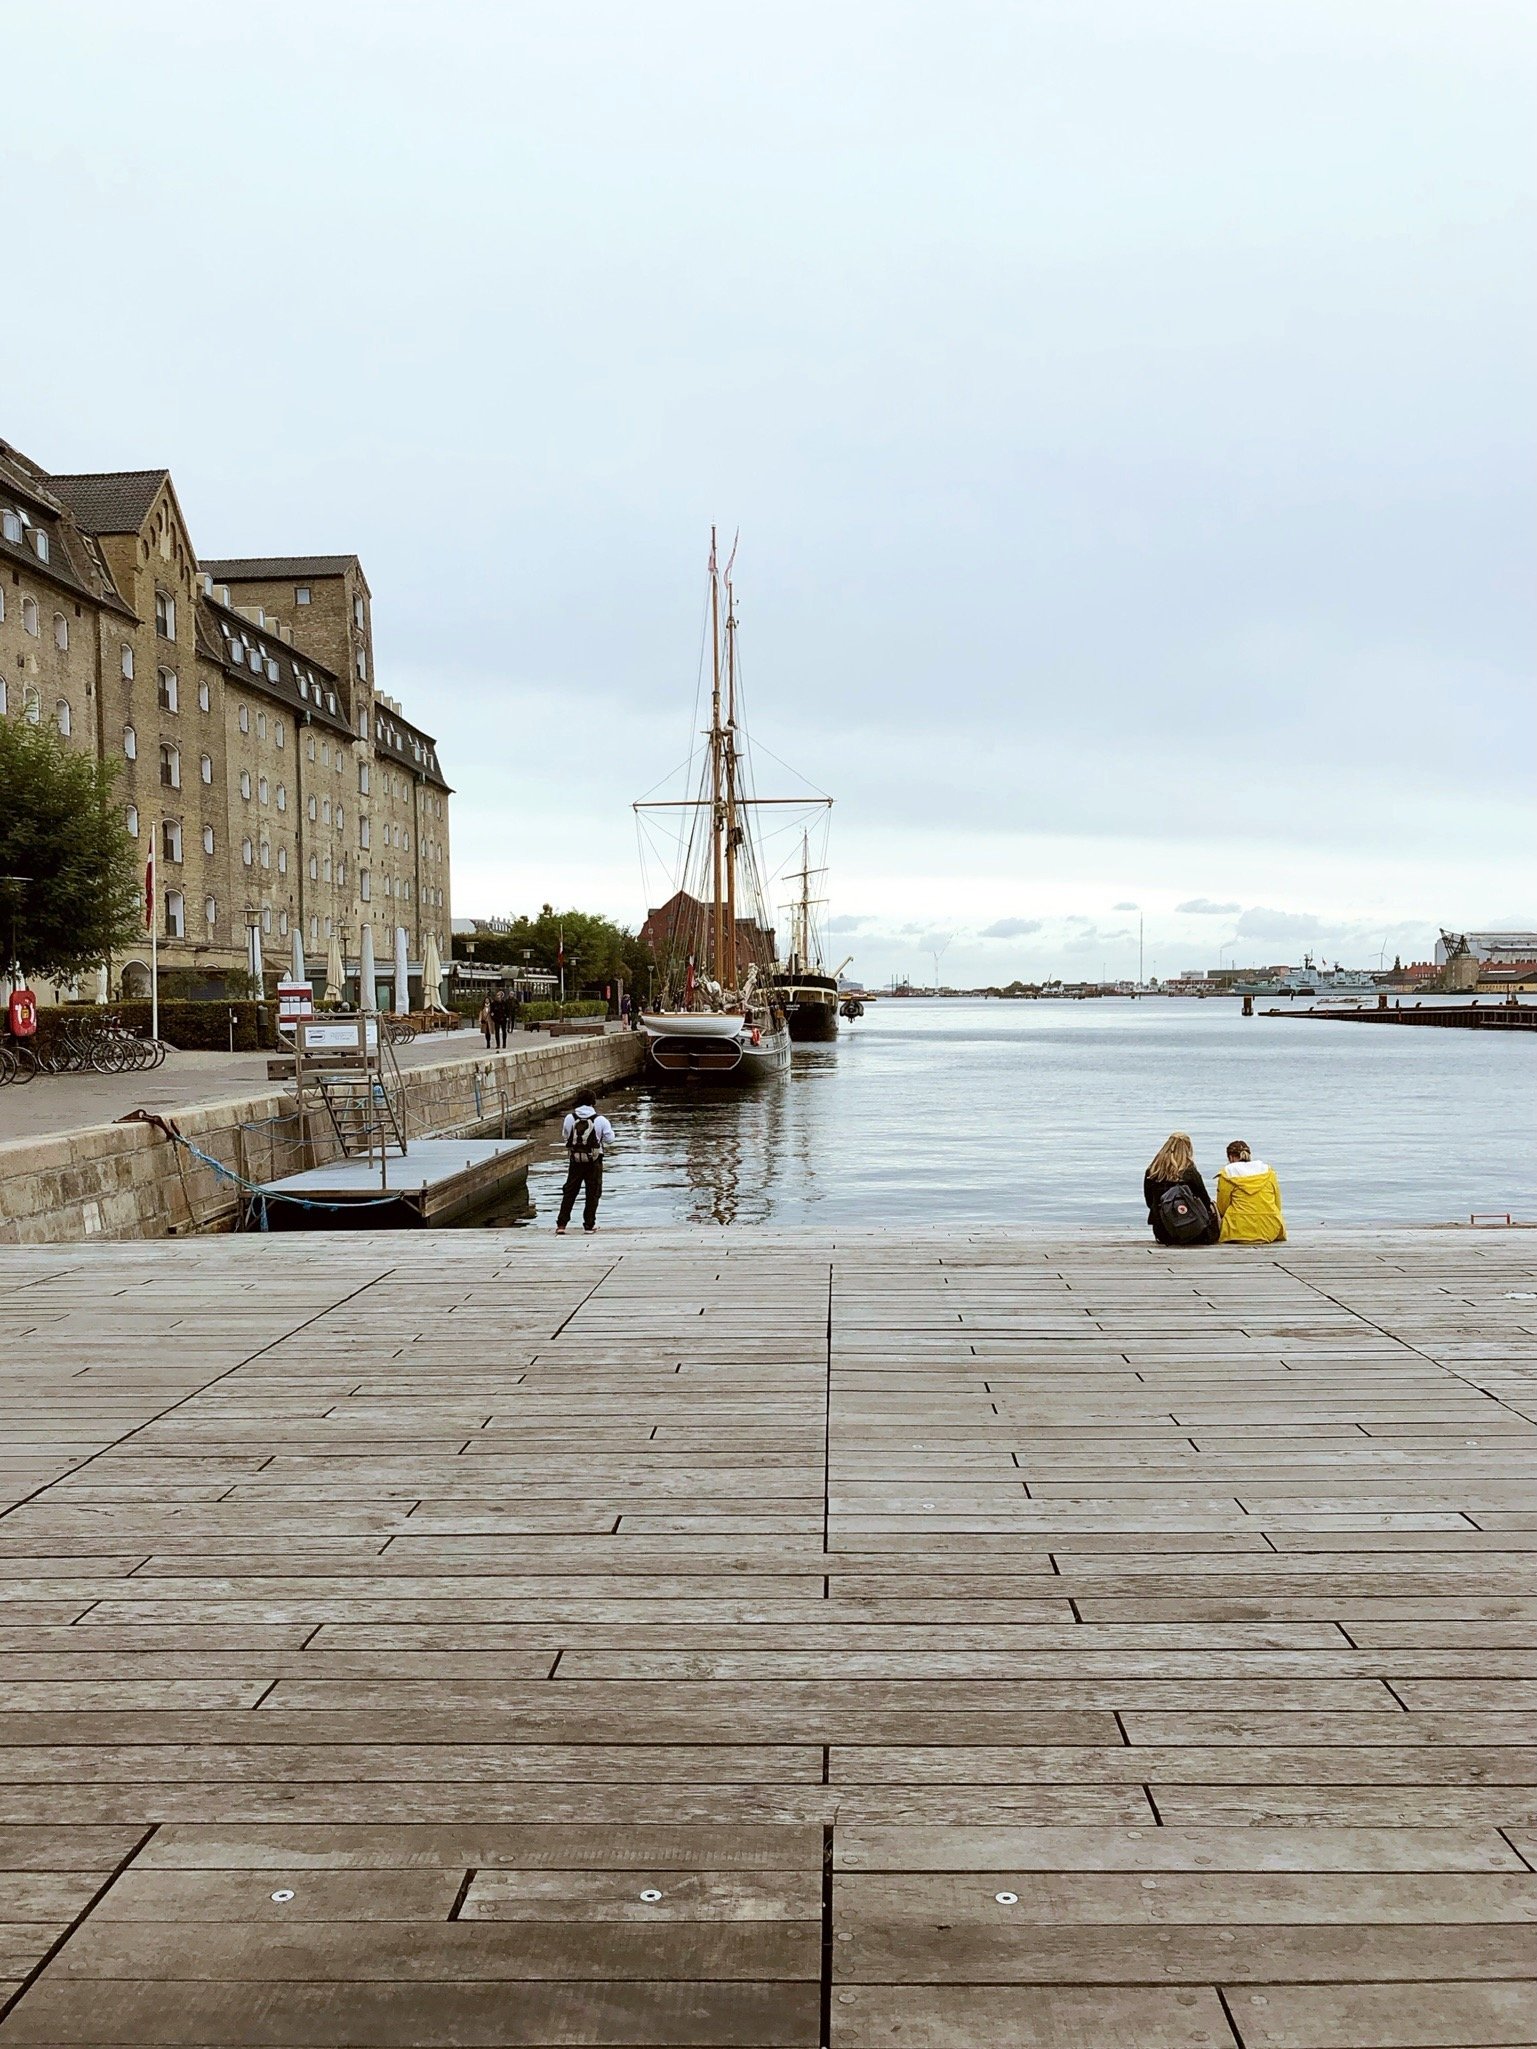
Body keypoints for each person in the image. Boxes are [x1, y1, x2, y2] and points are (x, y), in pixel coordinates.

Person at [1143, 1132, 1218, 1246]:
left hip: (1164, 1233)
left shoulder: (1152, 1172)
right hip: (1194, 1230)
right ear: (1188, 1149)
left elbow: (1150, 1202)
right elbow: (1205, 1201)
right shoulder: (1190, 1172)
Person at [556, 1094, 615, 1234]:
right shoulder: (600, 1120)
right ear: (592, 1103)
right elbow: (610, 1139)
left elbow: (566, 1136)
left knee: (570, 1191)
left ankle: (561, 1225)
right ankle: (589, 1225)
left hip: (575, 1159)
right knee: (593, 1192)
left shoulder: (570, 1118)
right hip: (594, 1160)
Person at [1217, 1140, 1287, 1243]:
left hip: (1237, 1230)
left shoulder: (1228, 1173)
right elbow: (1277, 1204)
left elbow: (1222, 1207)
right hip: (1270, 1228)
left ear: (1230, 1157)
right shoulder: (1268, 1172)